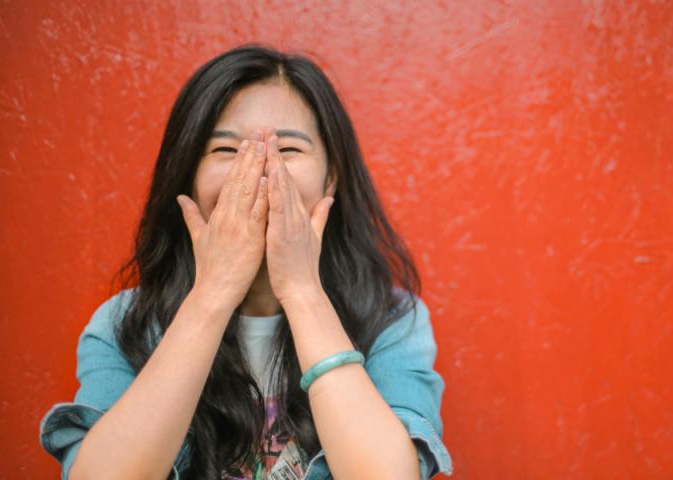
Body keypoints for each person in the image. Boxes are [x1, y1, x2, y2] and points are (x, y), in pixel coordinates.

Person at [38, 44, 453, 480]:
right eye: (226, 150)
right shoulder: (124, 325)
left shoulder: (392, 322)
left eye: (287, 150)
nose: (258, 172)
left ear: (331, 177)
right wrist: (213, 293)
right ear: (188, 177)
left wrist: (302, 291)